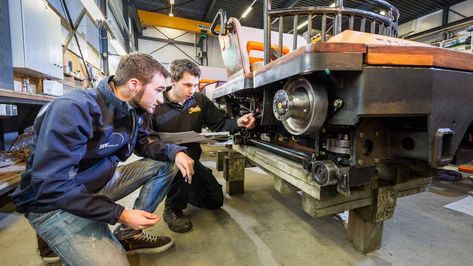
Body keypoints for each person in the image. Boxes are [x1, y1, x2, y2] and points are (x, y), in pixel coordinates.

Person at [10, 52, 195, 265]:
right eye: (159, 90)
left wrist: (176, 152)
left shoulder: (132, 111)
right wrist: (119, 213)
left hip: (94, 185)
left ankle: (129, 235)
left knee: (165, 166)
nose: (162, 99)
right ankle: (55, 235)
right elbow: (52, 185)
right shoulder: (73, 108)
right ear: (134, 84)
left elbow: (145, 142)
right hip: (53, 203)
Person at [142, 59, 255, 233]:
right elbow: (146, 140)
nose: (192, 90)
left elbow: (219, 124)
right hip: (166, 159)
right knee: (180, 168)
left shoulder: (199, 100)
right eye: (187, 85)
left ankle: (184, 190)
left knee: (215, 200)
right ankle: (173, 208)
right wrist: (173, 152)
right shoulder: (156, 103)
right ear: (173, 81)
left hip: (192, 158)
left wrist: (238, 122)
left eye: (195, 85)